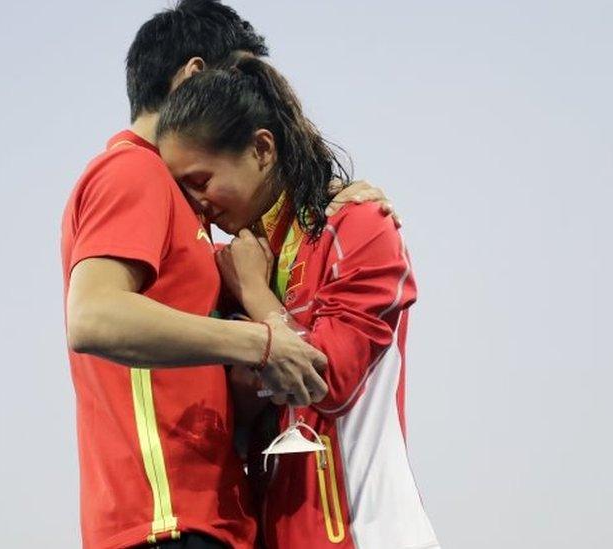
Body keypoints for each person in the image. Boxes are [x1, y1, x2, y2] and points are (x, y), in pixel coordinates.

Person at [60, 2, 397, 548]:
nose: (248, 98)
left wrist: (332, 207)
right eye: (234, 80)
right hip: (166, 523)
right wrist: (260, 342)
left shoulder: (182, 203)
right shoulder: (135, 172)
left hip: (212, 519)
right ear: (194, 77)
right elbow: (93, 315)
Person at [155, 57, 441, 549]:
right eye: (181, 189)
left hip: (364, 532)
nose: (195, 202)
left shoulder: (358, 225)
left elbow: (327, 380)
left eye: (200, 182)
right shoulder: (232, 263)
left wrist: (257, 297)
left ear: (262, 149)